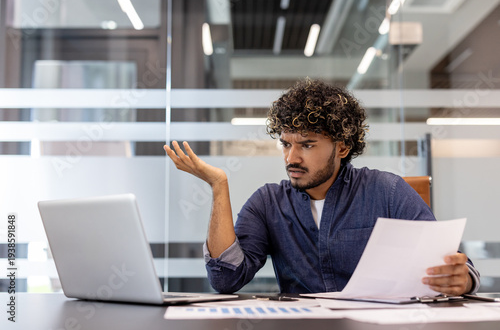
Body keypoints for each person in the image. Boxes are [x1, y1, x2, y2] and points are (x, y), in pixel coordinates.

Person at [164, 79, 480, 295]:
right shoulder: (269, 203)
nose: (292, 157)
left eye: (307, 144)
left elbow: (453, 265)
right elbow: (225, 279)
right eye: (286, 144)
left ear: (342, 148)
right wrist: (219, 185)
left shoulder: (388, 192)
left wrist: (462, 280)